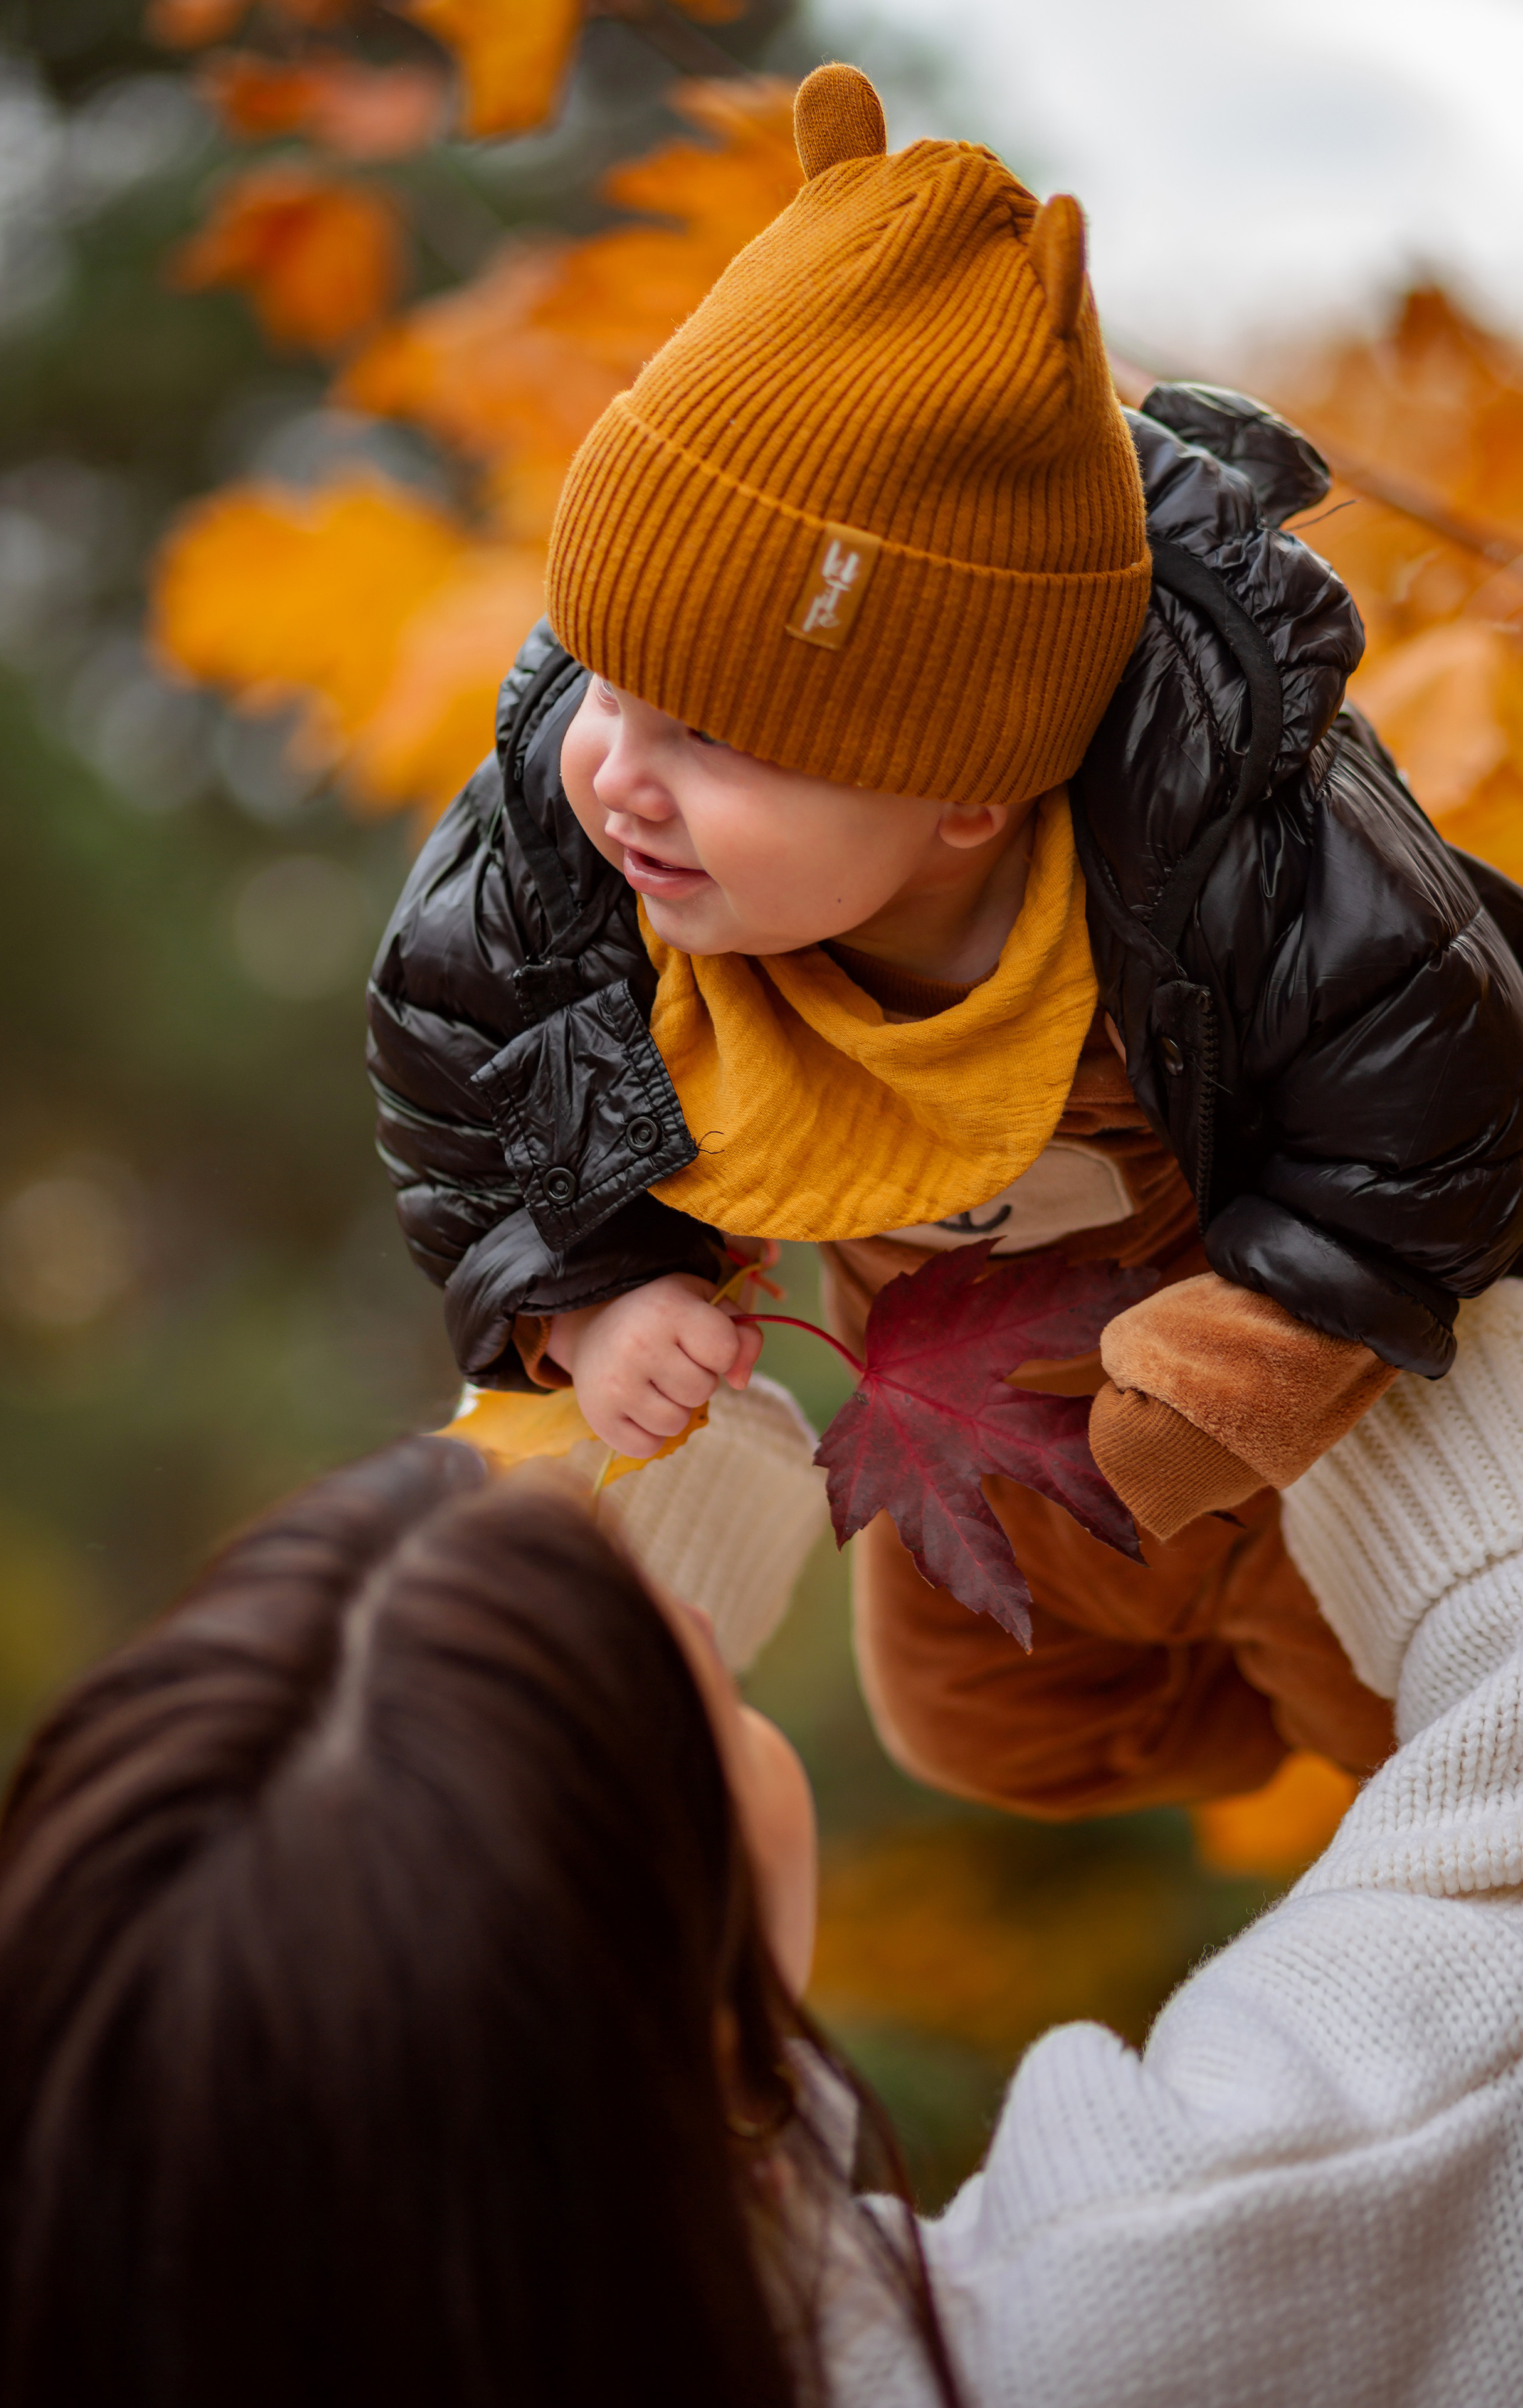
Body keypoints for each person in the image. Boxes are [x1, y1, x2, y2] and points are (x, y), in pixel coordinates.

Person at [366, 61, 1523, 1819]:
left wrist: (1265, 1359)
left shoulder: (1240, 847)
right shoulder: (565, 849)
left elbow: (1447, 1094)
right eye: (610, 681)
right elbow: (459, 1070)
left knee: (1413, 1751)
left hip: (1275, 1402)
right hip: (981, 1418)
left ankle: (1337, 1744)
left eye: (716, 739)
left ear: (966, 794)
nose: (621, 775)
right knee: (985, 1736)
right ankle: (1223, 1713)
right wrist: (585, 1301)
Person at [0, 1293, 1523, 2403]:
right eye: (704, 1699)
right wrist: (1374, 1286)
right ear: (676, 2015)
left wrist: (620, 1438)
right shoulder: (1111, 2310)